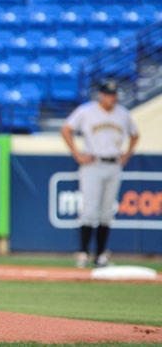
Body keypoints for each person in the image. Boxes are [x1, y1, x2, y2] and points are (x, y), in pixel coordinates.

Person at [60, 79, 139, 268]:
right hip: (93, 163)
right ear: (101, 95)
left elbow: (135, 134)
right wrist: (77, 153)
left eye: (115, 94)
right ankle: (83, 253)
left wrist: (127, 154)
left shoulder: (123, 114)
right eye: (109, 94)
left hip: (113, 163)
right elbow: (66, 129)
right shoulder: (87, 111)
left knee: (106, 211)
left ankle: (101, 254)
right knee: (89, 210)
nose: (112, 98)